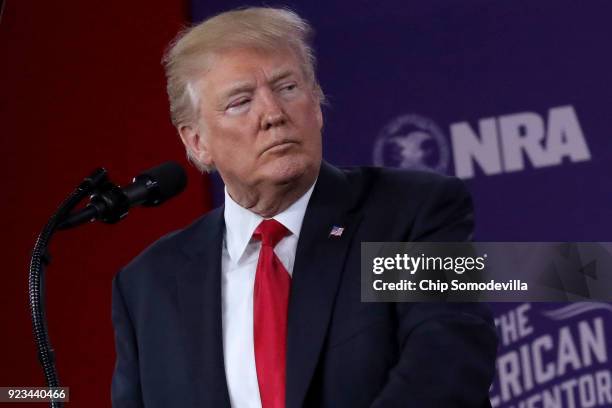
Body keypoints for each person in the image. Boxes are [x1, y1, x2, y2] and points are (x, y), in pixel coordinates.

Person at [111, 7, 498, 408]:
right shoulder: (147, 286)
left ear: (316, 104)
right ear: (196, 142)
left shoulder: (411, 213)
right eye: (241, 101)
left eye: (288, 88)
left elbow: (449, 359)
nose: (273, 114)